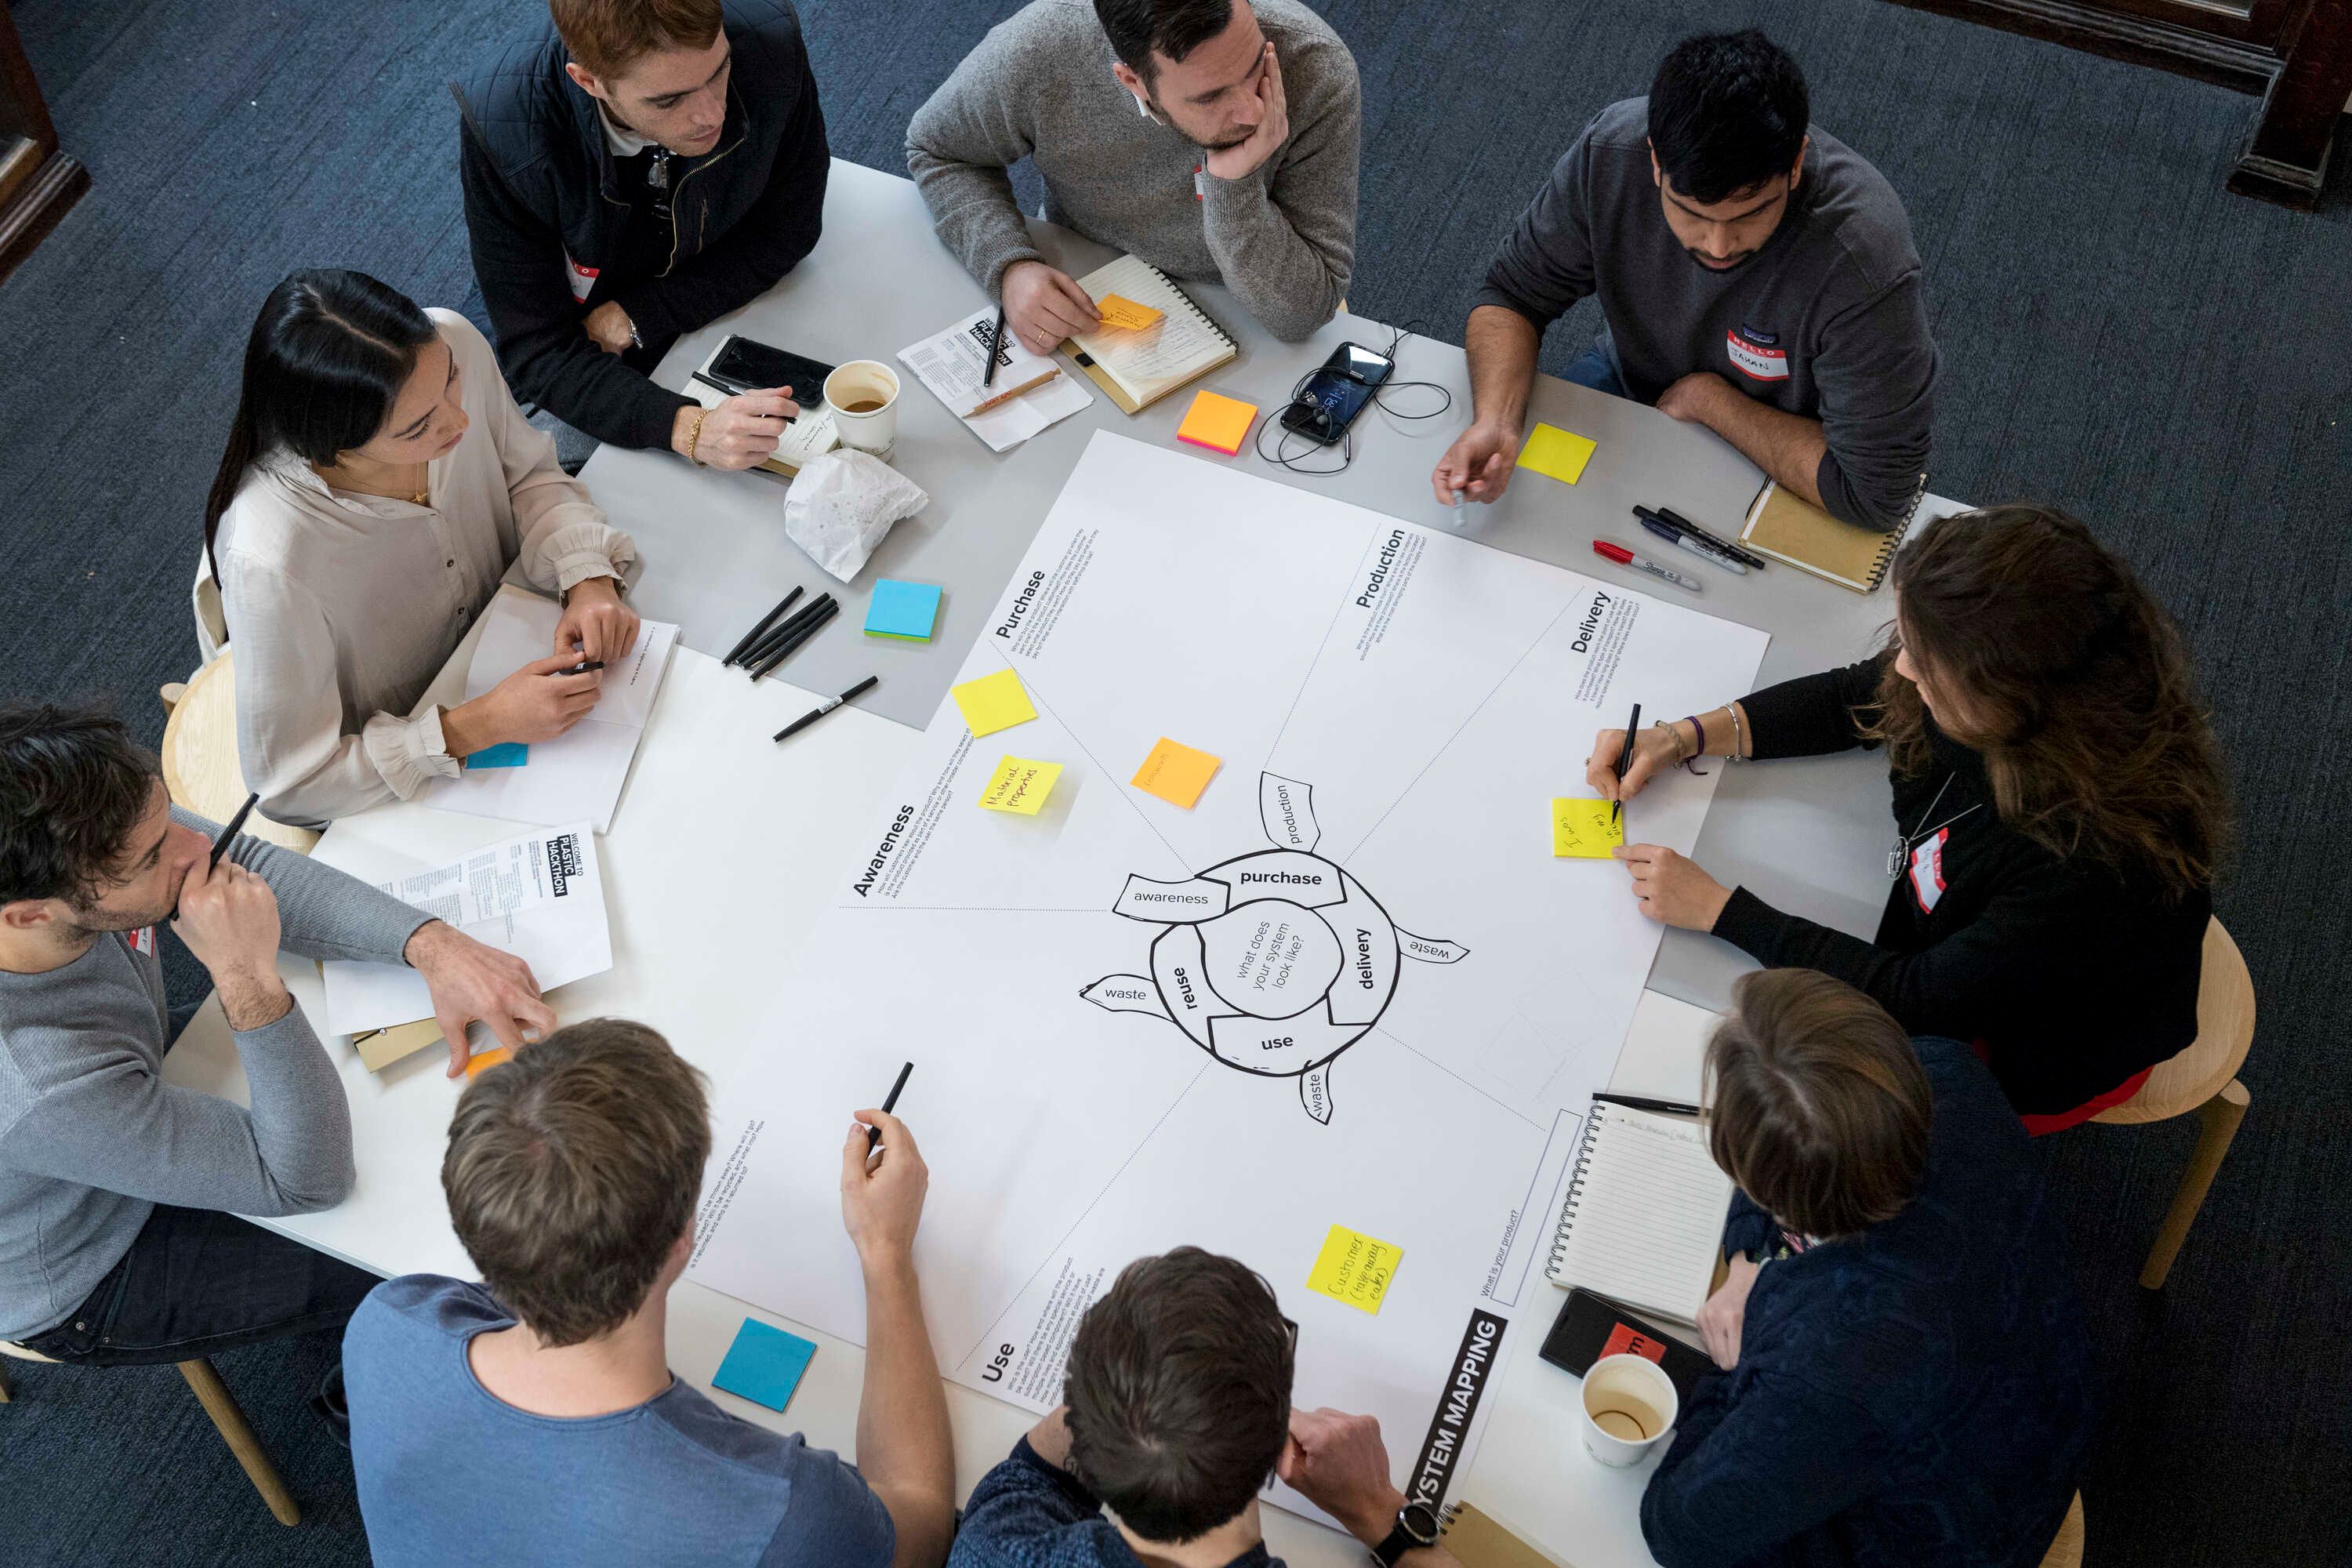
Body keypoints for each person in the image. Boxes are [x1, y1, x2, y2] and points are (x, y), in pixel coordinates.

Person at [1588, 505, 2229, 1129]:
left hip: (2046, 1049)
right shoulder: (2003, 688)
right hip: (1970, 944)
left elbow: (1917, 1004)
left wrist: (1723, 912)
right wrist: (1682, 737)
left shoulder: (2084, 870)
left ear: (2007, 706)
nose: (1900, 666)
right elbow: (1853, 699)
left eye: (1924, 666)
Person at [0, 705, 554, 1363]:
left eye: (171, 818)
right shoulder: (40, 1085)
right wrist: (243, 974)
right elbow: (307, 1182)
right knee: (486, 1261)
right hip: (94, 1254)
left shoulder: (81, 844)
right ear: (29, 913)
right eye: (154, 858)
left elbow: (248, 865)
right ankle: (366, 1393)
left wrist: (430, 945)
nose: (197, 848)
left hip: (131, 1076)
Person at [344, 1017, 956, 1568]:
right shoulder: (784, 1514)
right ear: (682, 1238)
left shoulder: (392, 1323)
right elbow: (923, 1520)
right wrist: (886, 1254)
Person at [1642, 968, 2096, 1566]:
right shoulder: (1944, 1072)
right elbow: (1813, 1123)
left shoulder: (1834, 1363)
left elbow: (1679, 1529)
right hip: (2038, 1398)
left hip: (1969, 1522)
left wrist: (1733, 1379)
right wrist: (1749, 1257)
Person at [1434, 30, 1937, 530]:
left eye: (1750, 214)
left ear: (1797, 164)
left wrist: (1711, 402)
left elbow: (1873, 493)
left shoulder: (1864, 260)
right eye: (1691, 213)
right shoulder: (1611, 153)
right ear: (1655, 161)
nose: (1718, 246)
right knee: (1529, 526)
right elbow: (1513, 294)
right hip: (1633, 376)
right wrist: (1496, 420)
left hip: (1785, 444)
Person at [205, 268, 642, 829]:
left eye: (452, 382)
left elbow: (529, 476)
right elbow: (291, 786)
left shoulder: (450, 339)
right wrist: (477, 725)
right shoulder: (269, 561)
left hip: (516, 652)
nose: (459, 420)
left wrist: (586, 577)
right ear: (331, 447)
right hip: (420, 775)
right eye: (416, 430)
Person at [455, 0, 828, 469]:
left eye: (719, 71)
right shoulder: (508, 132)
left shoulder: (768, 41)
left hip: (694, 290)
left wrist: (640, 314)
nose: (711, 114)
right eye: (668, 100)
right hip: (574, 335)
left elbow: (789, 230)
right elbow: (538, 348)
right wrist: (688, 428)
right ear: (588, 82)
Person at [951, 1247, 1464, 1568]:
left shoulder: (998, 1549)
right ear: (1275, 1448)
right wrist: (1376, 1510)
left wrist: (1117, 1396)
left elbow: (1028, 1483)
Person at [907, 0, 1359, 349]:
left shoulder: (1315, 68)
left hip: (1246, 301)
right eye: (1209, 97)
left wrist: (1232, 188)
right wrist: (1009, 265)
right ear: (1132, 82)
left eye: (1254, 65)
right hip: (1085, 278)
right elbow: (937, 149)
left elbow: (1301, 315)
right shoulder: (1037, 51)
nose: (1256, 110)